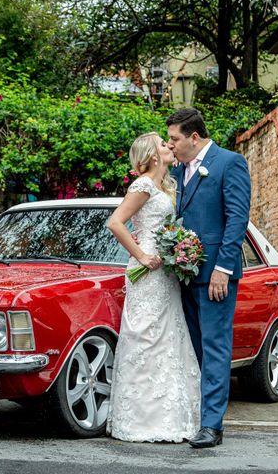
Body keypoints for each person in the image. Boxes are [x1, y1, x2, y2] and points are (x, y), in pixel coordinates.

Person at [106, 132, 201, 443]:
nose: (170, 146)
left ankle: (171, 419)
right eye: (164, 144)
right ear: (153, 155)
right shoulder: (143, 185)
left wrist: (180, 249)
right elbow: (115, 222)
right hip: (146, 273)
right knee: (146, 340)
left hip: (166, 274)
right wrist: (142, 255)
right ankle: (140, 421)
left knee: (168, 339)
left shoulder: (166, 187)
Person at [167, 108, 251, 448]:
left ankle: (212, 426)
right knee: (193, 348)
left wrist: (223, 268)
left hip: (215, 273)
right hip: (183, 273)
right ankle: (195, 415)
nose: (171, 145)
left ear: (195, 137)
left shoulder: (229, 163)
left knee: (215, 348)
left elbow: (237, 219)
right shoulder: (177, 170)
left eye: (175, 139)